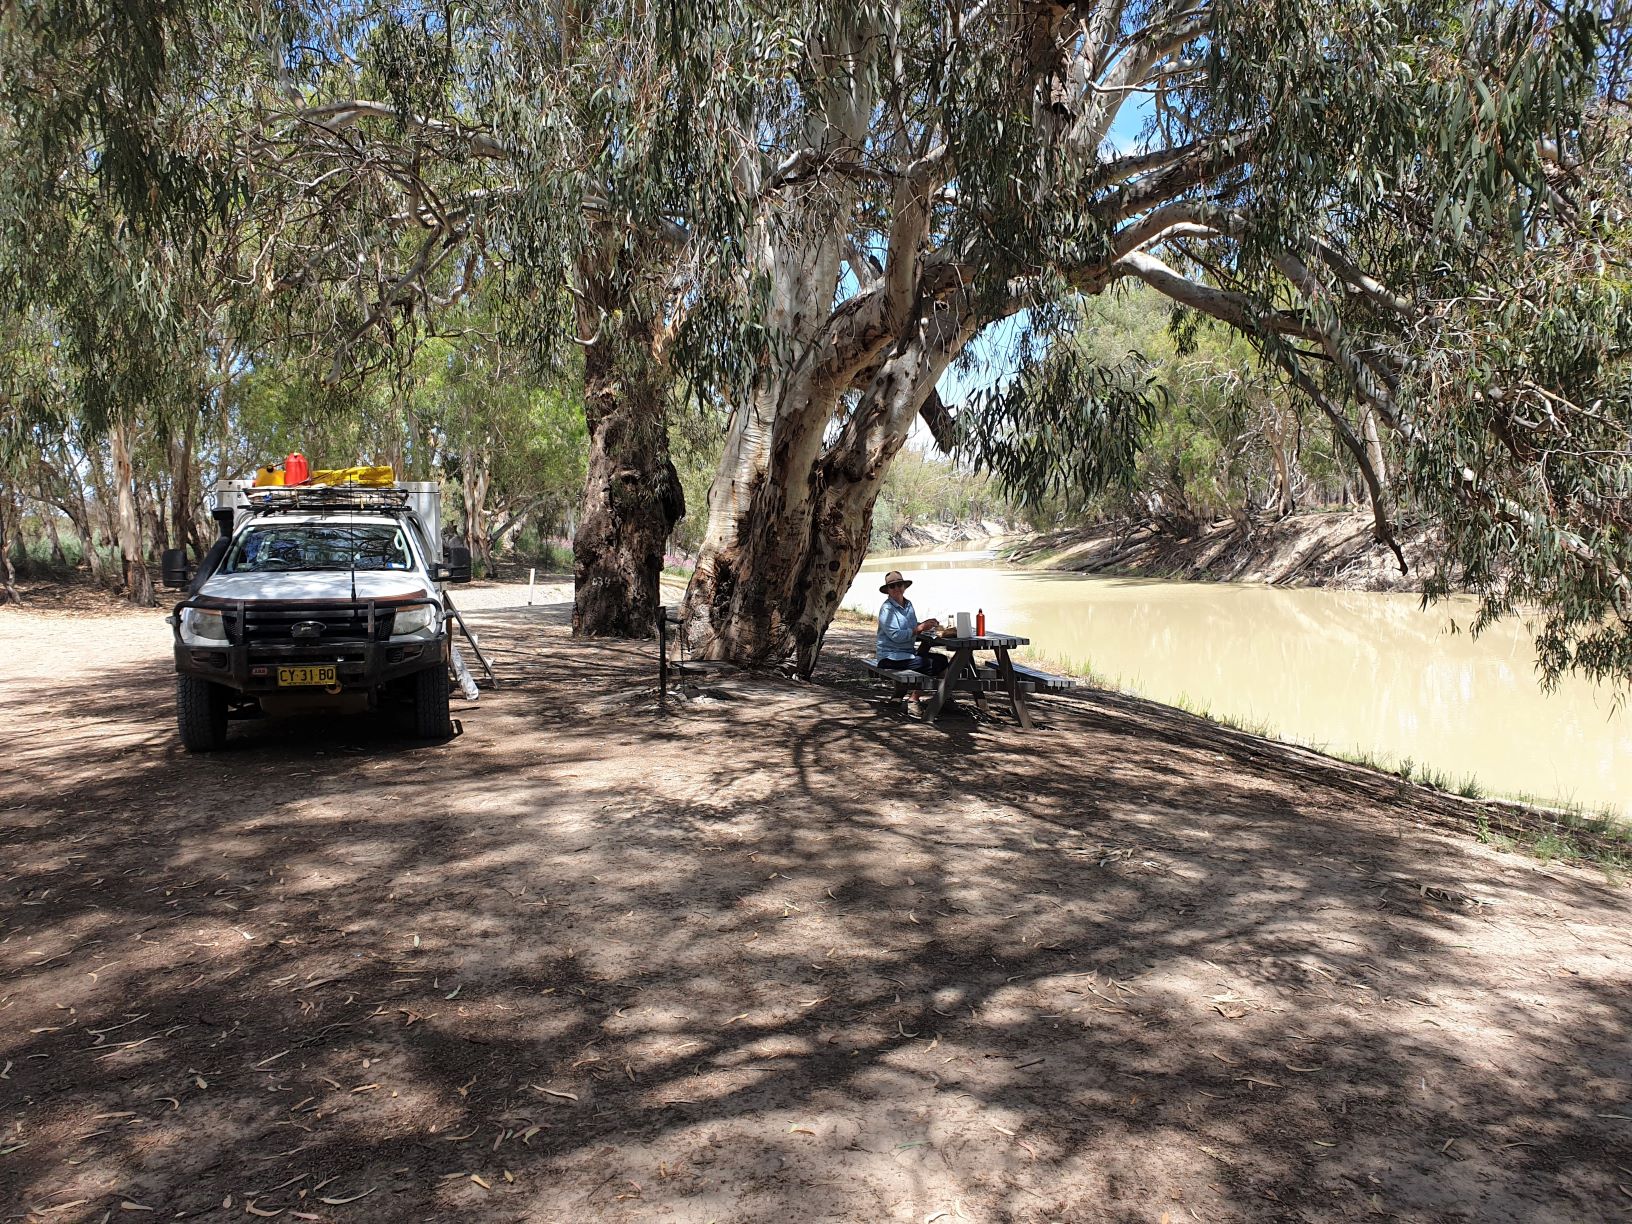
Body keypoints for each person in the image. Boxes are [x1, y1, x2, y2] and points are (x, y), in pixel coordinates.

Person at [876, 570, 949, 679]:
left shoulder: (908, 604)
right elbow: (896, 635)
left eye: (899, 584)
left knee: (942, 659)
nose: (896, 588)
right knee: (935, 664)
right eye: (892, 586)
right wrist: (920, 628)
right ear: (887, 590)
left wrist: (927, 624)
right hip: (889, 658)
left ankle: (941, 688)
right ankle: (940, 688)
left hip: (906, 654)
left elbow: (912, 626)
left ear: (904, 587)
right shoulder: (887, 609)